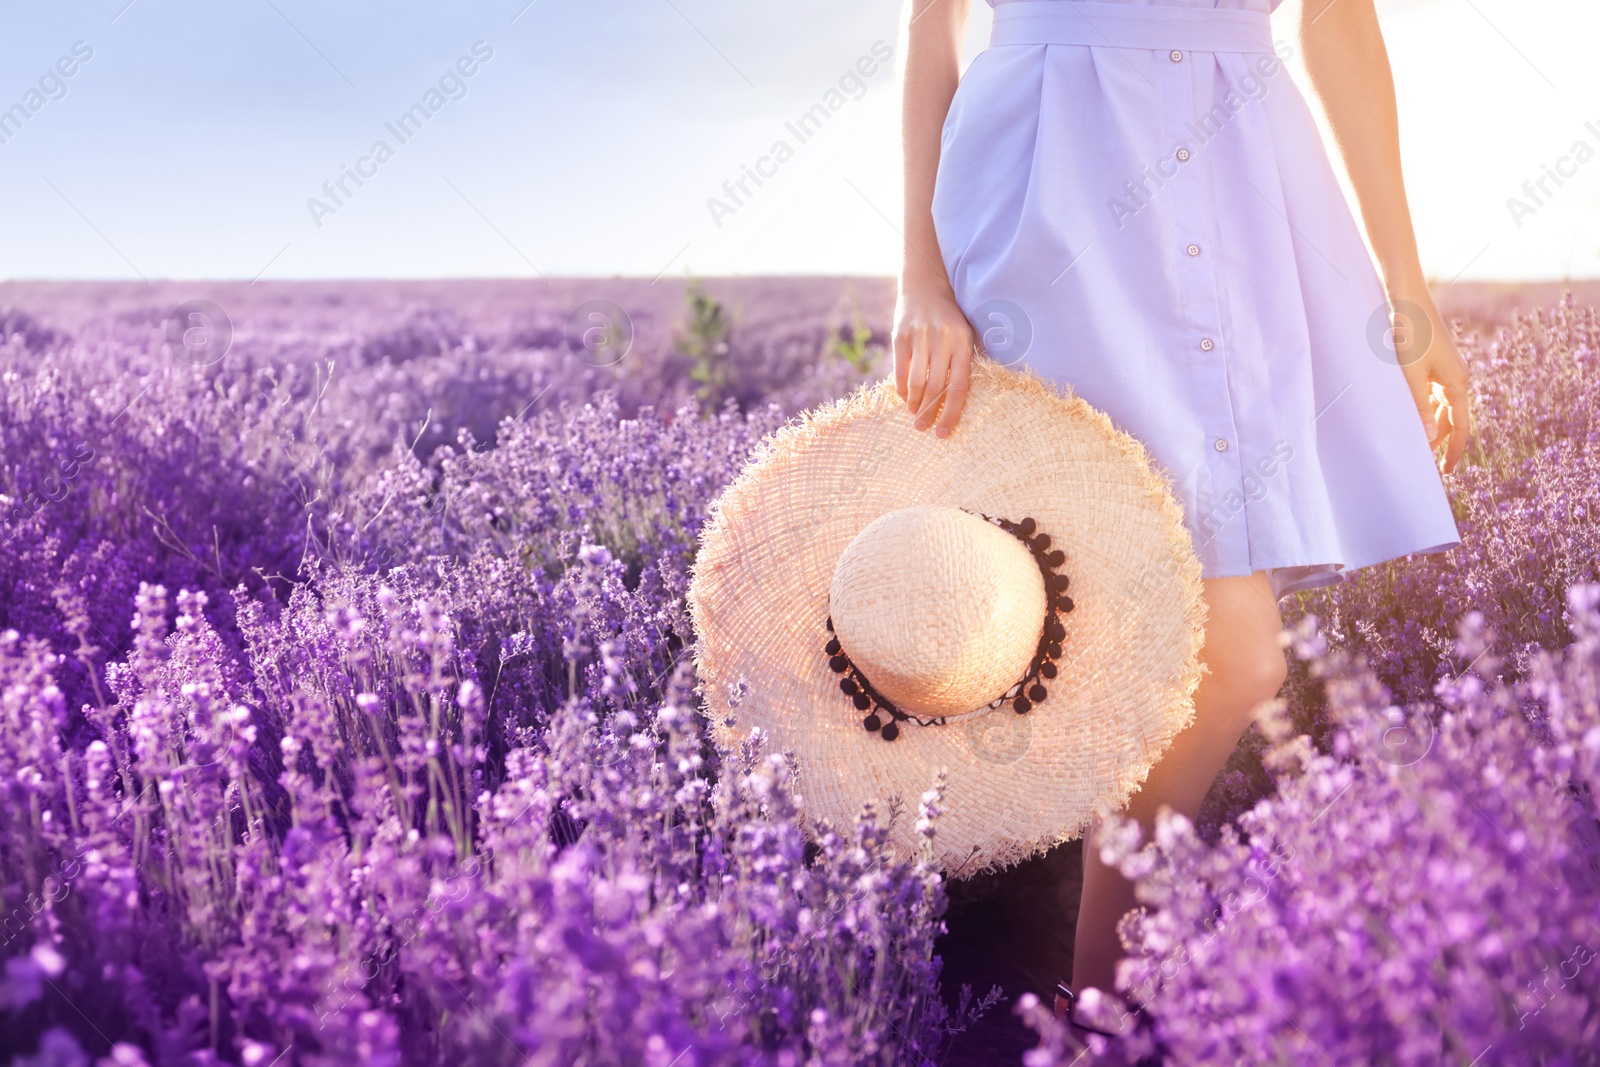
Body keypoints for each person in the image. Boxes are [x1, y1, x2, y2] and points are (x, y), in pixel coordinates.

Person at [892, 0, 1471, 1034]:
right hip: (1050, 191)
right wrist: (918, 281)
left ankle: (1097, 1008)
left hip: (1246, 185)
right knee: (1221, 647)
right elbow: (931, 26)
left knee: (1216, 653)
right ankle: (1094, 997)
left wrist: (1406, 287)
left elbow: (1339, 21)